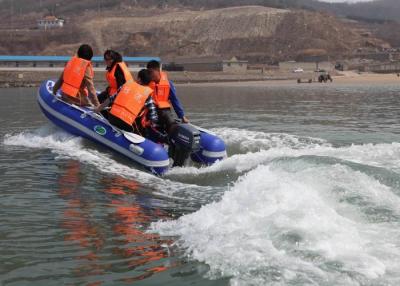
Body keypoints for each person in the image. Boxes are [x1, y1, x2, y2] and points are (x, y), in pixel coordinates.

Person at [95, 69, 157, 134]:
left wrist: (97, 109)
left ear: (139, 79)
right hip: (127, 125)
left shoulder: (126, 85)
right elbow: (154, 117)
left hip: (112, 118)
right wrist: (149, 124)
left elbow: (110, 99)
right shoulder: (147, 95)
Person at [147, 60, 189, 135]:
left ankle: (172, 136)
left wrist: (182, 116)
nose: (150, 75)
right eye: (148, 73)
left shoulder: (168, 84)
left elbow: (174, 100)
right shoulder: (146, 83)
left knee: (167, 117)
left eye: (151, 72)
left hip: (164, 111)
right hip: (149, 111)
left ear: (157, 70)